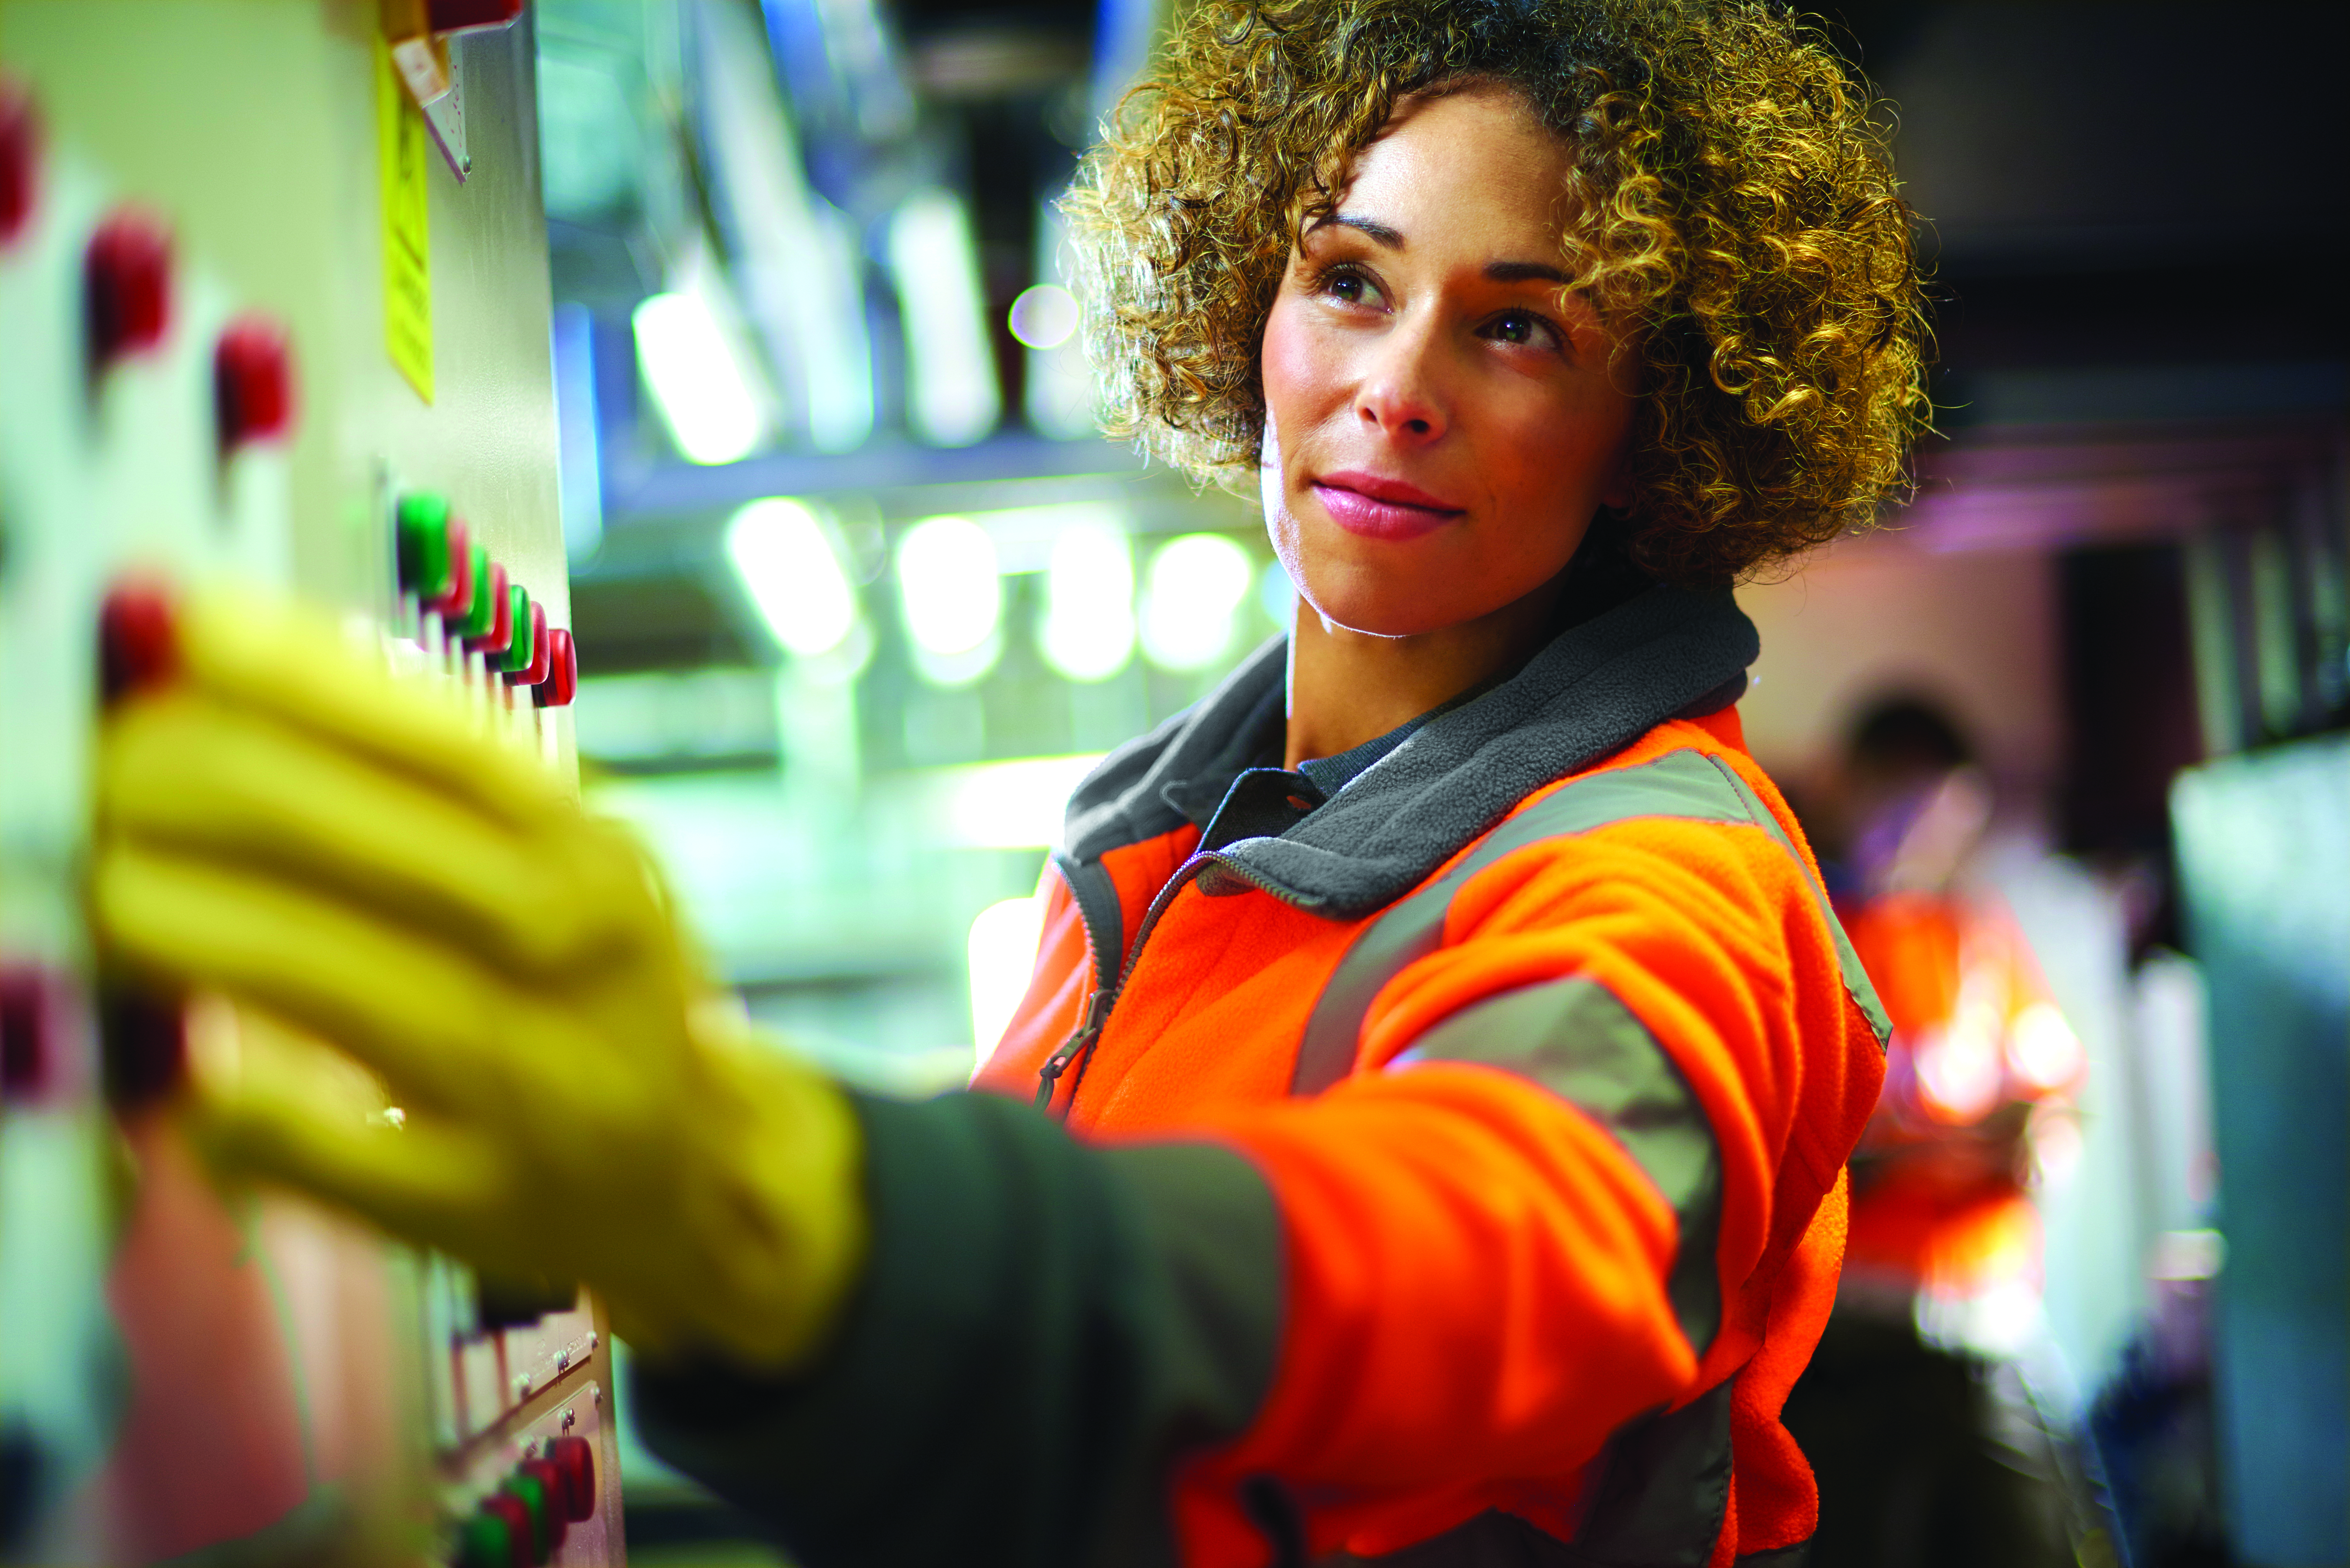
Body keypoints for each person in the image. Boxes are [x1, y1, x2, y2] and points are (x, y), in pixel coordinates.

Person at [89, 0, 1929, 1562]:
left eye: (1518, 326)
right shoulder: (1150, 865)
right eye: (1349, 280)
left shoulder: (1664, 882)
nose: (1395, 386)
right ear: (1247, 311)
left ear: (1659, 421)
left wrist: (777, 1192)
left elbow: (1490, 1257)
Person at [1779, 698, 2083, 1567]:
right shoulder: (1805, 941)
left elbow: (2054, 1120)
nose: (1924, 840)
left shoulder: (1977, 941)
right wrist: (1921, 1156)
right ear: (1851, 783)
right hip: (1848, 1347)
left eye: (1947, 819)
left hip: (1989, 1335)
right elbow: (1795, 1163)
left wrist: (2022, 1147)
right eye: (1906, 808)